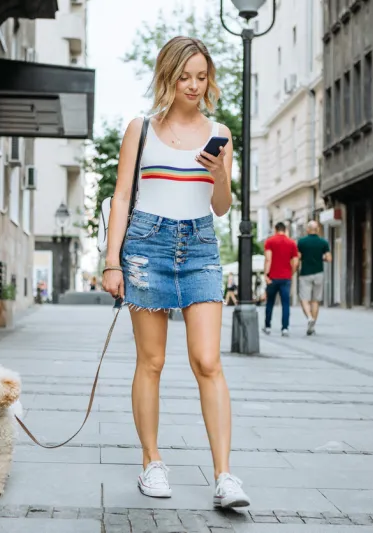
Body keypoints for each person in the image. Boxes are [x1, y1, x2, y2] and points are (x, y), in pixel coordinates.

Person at [101, 36, 249, 508]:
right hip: (146, 246)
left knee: (208, 361)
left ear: (210, 79)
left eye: (201, 76)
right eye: (184, 76)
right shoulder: (140, 128)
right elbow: (123, 197)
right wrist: (111, 261)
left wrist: (221, 174)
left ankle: (225, 476)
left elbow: (222, 208)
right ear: (168, 75)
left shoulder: (220, 132)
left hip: (202, 245)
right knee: (152, 362)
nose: (193, 85)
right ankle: (152, 462)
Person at [262, 222, 299, 336]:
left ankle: (268, 326)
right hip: (286, 278)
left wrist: (266, 274)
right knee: (285, 304)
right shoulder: (292, 243)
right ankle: (285, 328)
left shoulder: (270, 241)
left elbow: (268, 259)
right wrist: (291, 273)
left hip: (272, 277)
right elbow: (296, 262)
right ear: (285, 230)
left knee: (270, 303)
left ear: (275, 229)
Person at [296, 220, 331, 335]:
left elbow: (298, 257)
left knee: (304, 299)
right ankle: (313, 326)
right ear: (318, 230)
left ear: (308, 230)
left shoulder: (301, 242)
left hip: (305, 273)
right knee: (315, 301)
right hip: (319, 273)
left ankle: (309, 317)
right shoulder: (323, 242)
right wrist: (321, 258)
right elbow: (329, 258)